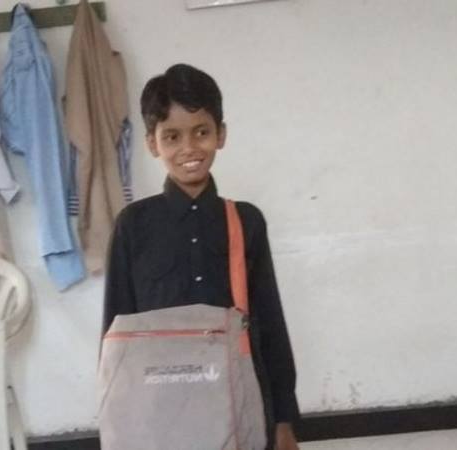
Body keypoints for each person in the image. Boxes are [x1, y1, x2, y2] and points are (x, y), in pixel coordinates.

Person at [103, 63, 300, 450]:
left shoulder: (245, 221)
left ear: (220, 134)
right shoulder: (133, 225)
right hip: (160, 411)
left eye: (201, 132)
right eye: (172, 136)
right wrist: (117, 417)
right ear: (153, 144)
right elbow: (115, 335)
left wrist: (283, 421)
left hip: (239, 404)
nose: (189, 148)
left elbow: (271, 325)